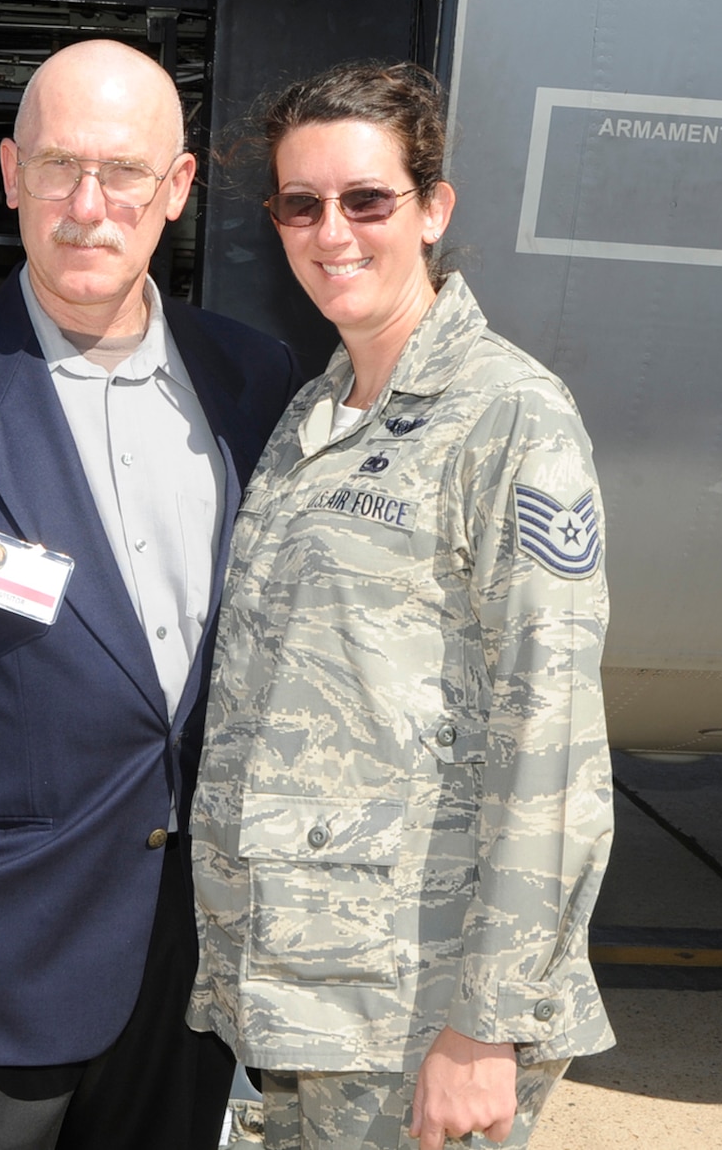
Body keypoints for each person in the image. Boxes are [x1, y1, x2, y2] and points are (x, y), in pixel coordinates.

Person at [0, 38, 301, 1150]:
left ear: (174, 190)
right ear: (9, 172)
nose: (88, 205)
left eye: (122, 172)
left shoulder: (251, 381)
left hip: (190, 983)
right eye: (58, 165)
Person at [187, 62, 615, 1149]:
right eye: (300, 203)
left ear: (431, 210)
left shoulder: (507, 418)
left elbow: (552, 737)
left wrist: (488, 1022)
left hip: (416, 999)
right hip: (305, 989)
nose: (331, 231)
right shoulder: (314, 413)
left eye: (366, 199)